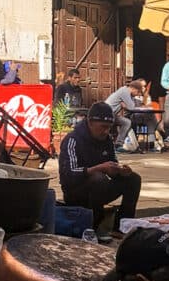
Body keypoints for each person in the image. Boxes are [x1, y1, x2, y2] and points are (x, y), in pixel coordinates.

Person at [58, 101, 142, 238]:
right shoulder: (72, 139)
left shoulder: (107, 140)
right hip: (76, 192)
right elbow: (68, 174)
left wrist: (119, 171)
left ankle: (122, 226)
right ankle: (94, 225)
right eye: (103, 127)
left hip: (99, 189)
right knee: (98, 178)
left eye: (109, 128)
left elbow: (112, 163)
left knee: (133, 179)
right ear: (90, 123)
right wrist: (97, 169)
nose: (106, 131)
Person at [105, 78, 147, 149]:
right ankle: (120, 144)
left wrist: (127, 105)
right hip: (106, 114)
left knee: (127, 122)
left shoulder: (128, 93)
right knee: (127, 122)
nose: (137, 94)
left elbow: (131, 105)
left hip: (112, 115)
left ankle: (118, 144)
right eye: (138, 92)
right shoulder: (124, 92)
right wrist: (128, 106)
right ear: (133, 89)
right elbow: (132, 107)